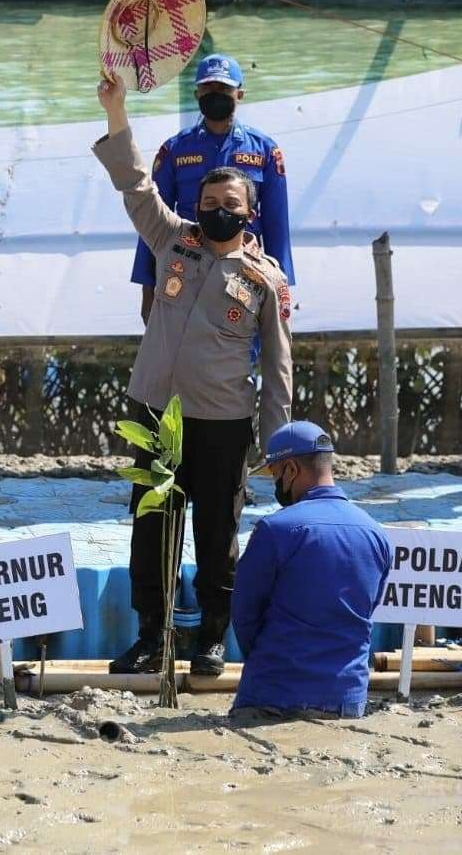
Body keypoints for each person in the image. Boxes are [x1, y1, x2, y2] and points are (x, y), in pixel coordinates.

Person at [94, 72, 293, 678]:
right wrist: (116, 111)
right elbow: (134, 183)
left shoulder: (266, 280)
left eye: (230, 206)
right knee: (151, 527)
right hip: (154, 414)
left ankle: (210, 638)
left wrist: (278, 446)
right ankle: (152, 635)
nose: (217, 212)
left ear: (250, 212)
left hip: (223, 423)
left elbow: (279, 367)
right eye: (208, 205)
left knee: (215, 534)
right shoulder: (171, 240)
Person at [231, 422, 391, 719]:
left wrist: (268, 665)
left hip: (273, 695)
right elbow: (366, 610)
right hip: (347, 700)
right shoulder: (376, 534)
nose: (276, 484)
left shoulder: (275, 530)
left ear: (290, 469)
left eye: (275, 475)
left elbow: (244, 615)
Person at [130, 54, 294, 324]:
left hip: (245, 270)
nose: (215, 94)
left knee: (240, 350)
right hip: (185, 265)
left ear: (239, 94)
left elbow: (277, 226)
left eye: (223, 88)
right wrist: (147, 289)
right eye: (207, 88)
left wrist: (282, 291)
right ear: (196, 94)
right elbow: (152, 223)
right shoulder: (174, 150)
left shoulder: (264, 150)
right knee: (182, 350)